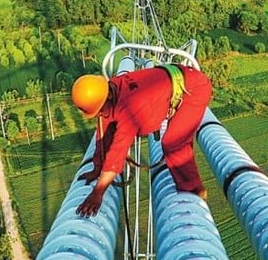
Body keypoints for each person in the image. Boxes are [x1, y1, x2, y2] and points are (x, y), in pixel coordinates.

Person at [70, 65, 213, 217]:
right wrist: (97, 168)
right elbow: (103, 132)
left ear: (108, 97)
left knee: (174, 143)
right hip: (178, 80)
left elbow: (118, 152)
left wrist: (97, 193)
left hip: (194, 88)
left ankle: (193, 193)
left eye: (100, 110)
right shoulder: (109, 89)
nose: (100, 115)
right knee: (177, 139)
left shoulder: (131, 105)